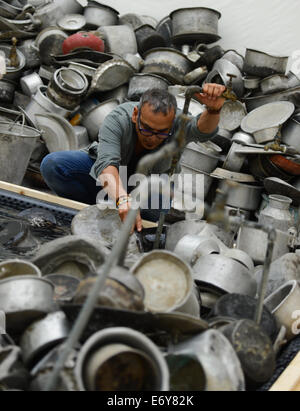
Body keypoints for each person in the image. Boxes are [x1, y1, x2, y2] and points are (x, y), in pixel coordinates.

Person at [41, 83, 226, 231]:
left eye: (161, 133)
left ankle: (117, 210)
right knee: (54, 165)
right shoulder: (118, 118)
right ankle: (91, 211)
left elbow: (202, 131)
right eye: (146, 129)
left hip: (152, 184)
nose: (152, 138)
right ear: (135, 115)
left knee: (151, 218)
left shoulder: (178, 121)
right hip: (112, 175)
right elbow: (107, 164)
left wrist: (213, 111)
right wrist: (122, 199)